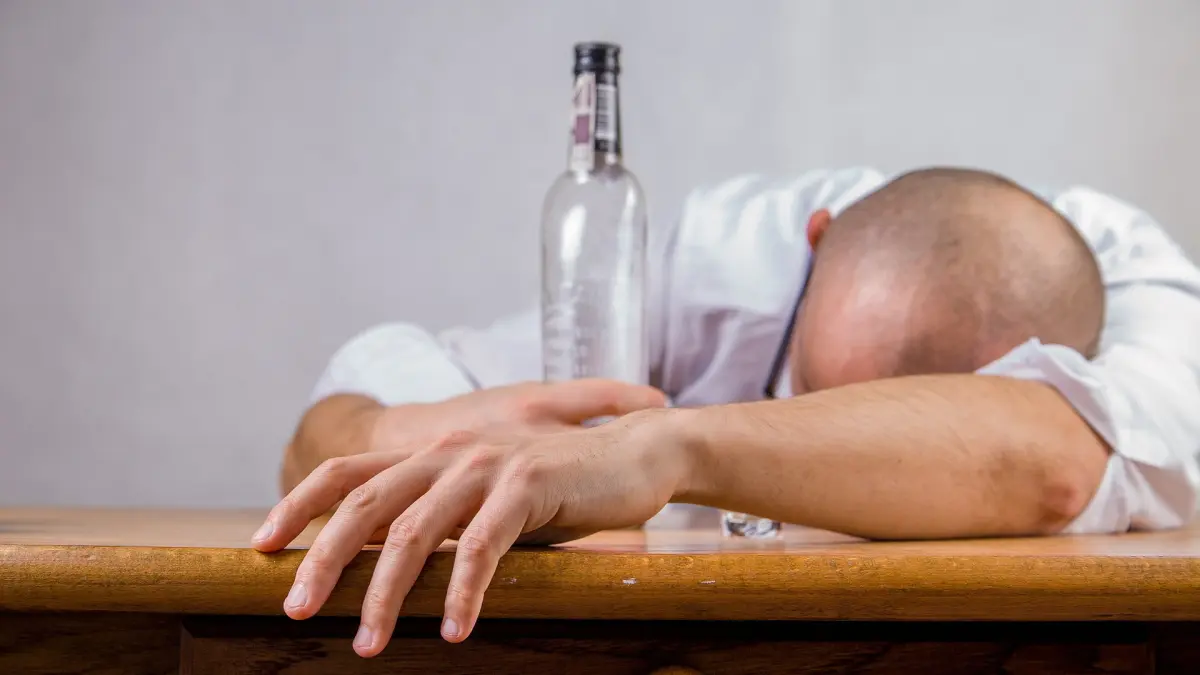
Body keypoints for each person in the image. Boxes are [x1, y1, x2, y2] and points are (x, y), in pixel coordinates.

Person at [253, 166, 1200, 656]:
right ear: (813, 244)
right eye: (807, 390)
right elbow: (337, 413)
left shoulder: (1143, 289)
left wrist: (658, 452)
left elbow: (1054, 467)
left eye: (886, 422)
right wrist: (402, 432)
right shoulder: (723, 260)